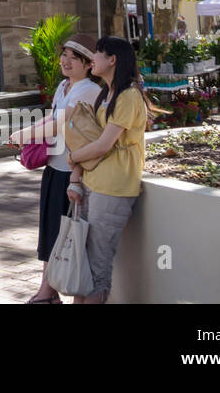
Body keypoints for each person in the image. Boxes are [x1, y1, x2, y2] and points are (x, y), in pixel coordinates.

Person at [8, 33, 102, 304]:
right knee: (51, 232)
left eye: (75, 58)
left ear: (88, 65)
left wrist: (23, 135)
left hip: (74, 171)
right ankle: (47, 290)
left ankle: (51, 292)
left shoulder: (88, 90)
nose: (66, 61)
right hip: (55, 168)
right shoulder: (64, 86)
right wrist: (24, 133)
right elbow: (52, 116)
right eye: (65, 55)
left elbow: (60, 122)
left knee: (65, 234)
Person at [66, 36, 148, 304]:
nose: (93, 58)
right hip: (93, 182)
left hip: (114, 187)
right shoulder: (106, 92)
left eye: (98, 54)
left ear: (112, 60)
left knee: (98, 267)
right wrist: (76, 176)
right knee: (83, 261)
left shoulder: (128, 96)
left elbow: (102, 145)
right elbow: (90, 138)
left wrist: (74, 158)